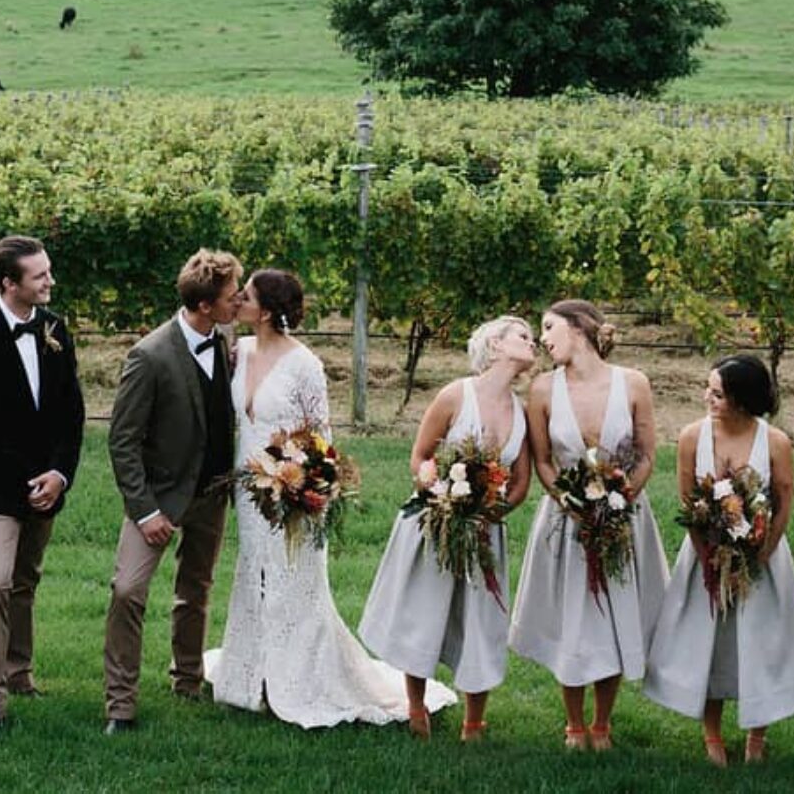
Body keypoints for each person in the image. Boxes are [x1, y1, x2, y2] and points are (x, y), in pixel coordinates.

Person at [206, 270, 458, 729]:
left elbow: (321, 438)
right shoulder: (238, 351)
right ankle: (254, 675)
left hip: (289, 493)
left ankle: (299, 680)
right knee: (255, 574)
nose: (237, 300)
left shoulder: (304, 365)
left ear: (264, 311)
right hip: (249, 490)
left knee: (292, 580)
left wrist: (303, 487)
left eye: (246, 296)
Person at [359, 314, 533, 742]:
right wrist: (438, 492)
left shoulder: (522, 411)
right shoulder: (456, 395)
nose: (534, 343)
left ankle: (475, 720)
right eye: (524, 336)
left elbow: (522, 482)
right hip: (434, 525)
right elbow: (420, 457)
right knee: (424, 614)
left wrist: (488, 515)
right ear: (495, 346)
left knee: (481, 620)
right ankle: (416, 706)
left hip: (483, 532)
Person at [509, 298, 668, 751]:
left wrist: (621, 499)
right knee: (573, 621)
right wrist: (571, 501)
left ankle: (603, 723)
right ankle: (574, 724)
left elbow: (647, 454)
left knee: (613, 616)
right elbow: (542, 459)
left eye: (548, 327)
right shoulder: (542, 388)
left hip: (623, 518)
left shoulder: (634, 383)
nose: (542, 338)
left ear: (579, 329)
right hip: (567, 521)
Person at [643, 355, 794, 765]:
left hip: (762, 559)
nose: (707, 397)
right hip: (707, 557)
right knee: (711, 643)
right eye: (708, 388)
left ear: (740, 399)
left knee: (761, 642)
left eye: (717, 392)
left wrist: (764, 551)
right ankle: (712, 735)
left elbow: (784, 498)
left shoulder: (774, 442)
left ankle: (757, 734)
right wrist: (707, 556)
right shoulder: (691, 437)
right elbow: (688, 502)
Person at [0, 236, 85, 734]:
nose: (50, 281)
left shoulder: (54, 329)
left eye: (49, 271)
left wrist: (59, 474)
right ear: (9, 283)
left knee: (25, 582)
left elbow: (72, 412)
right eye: (40, 275)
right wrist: (26, 478)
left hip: (47, 483)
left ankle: (19, 672)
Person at [101, 248, 242, 734]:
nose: (239, 301)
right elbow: (122, 441)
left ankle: (187, 679)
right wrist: (144, 512)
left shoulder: (226, 339)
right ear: (205, 305)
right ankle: (120, 705)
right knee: (128, 591)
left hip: (213, 493)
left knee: (196, 589)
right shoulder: (150, 355)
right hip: (159, 497)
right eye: (231, 296)